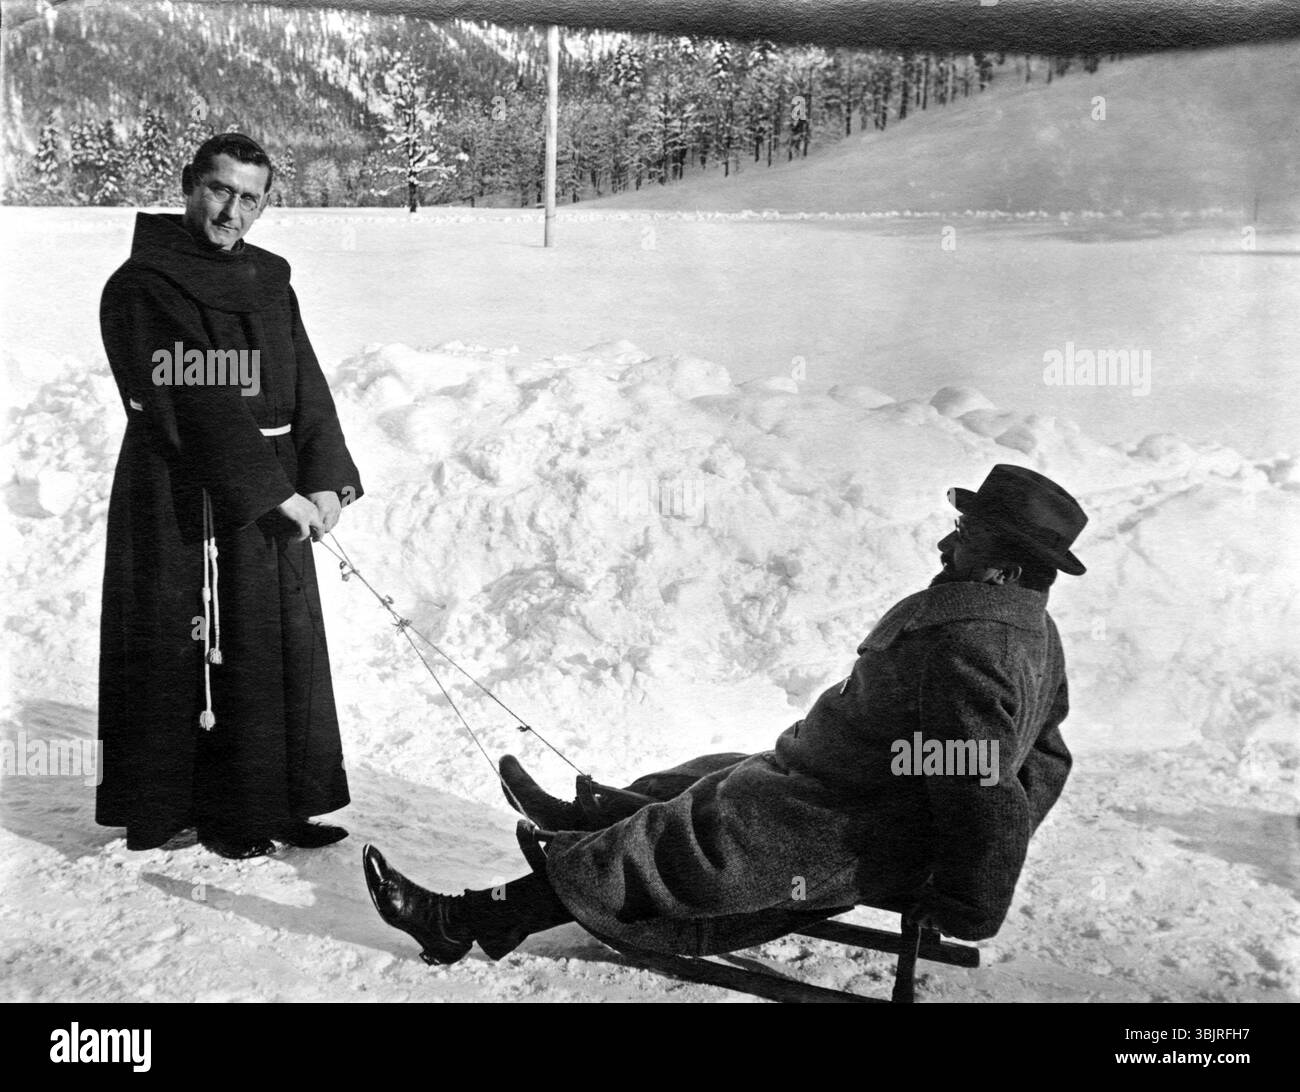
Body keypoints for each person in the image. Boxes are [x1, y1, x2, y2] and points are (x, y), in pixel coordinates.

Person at [363, 464, 1086, 962]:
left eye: (966, 535)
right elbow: (1048, 757)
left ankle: (464, 921)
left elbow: (980, 788)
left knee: (684, 838)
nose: (944, 541)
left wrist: (966, 896)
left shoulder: (972, 644)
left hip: (857, 828)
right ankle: (582, 817)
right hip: (841, 790)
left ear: (1005, 565)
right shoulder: (1027, 628)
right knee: (713, 771)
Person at [96, 133, 364, 859]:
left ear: (266, 202)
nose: (231, 211)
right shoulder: (144, 284)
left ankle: (276, 802)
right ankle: (209, 810)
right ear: (189, 186)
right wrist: (271, 491)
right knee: (195, 643)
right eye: (219, 190)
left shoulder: (271, 278)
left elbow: (305, 381)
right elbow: (195, 394)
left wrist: (325, 476)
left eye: (250, 197)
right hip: (182, 489)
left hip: (275, 485)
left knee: (276, 641)